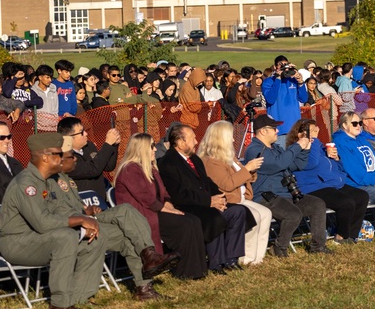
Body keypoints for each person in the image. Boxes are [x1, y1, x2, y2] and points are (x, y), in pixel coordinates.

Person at [51, 140, 178, 300]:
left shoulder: (66, 179)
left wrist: (87, 209)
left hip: (87, 218)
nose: (76, 158)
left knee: (128, 229)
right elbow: (54, 213)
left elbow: (73, 205)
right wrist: (83, 216)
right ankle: (150, 256)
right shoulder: (48, 181)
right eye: (71, 156)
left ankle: (144, 287)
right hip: (73, 227)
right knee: (125, 211)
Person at [0, 133, 108, 309]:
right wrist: (80, 220)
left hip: (40, 238)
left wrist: (82, 226)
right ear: (45, 157)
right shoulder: (27, 183)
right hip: (17, 242)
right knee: (65, 237)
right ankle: (60, 305)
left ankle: (76, 298)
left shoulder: (47, 182)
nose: (62, 157)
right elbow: (42, 223)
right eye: (58, 154)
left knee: (96, 237)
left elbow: (56, 214)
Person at [113, 134, 208, 279]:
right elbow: (146, 198)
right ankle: (185, 271)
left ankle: (197, 270)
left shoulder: (151, 169)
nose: (155, 150)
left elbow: (163, 192)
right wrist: (169, 211)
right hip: (141, 216)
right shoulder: (130, 169)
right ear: (141, 148)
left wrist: (169, 205)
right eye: (151, 146)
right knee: (185, 224)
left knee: (193, 220)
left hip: (155, 211)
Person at [159, 124, 249, 273]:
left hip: (206, 203)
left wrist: (219, 198)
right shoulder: (168, 163)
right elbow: (179, 195)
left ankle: (231, 258)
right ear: (181, 143)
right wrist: (209, 202)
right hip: (188, 208)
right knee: (213, 216)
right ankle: (216, 262)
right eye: (192, 139)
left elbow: (207, 182)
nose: (196, 142)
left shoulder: (194, 159)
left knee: (238, 211)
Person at [243, 115, 333, 255]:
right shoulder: (255, 150)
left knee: (317, 204)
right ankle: (279, 247)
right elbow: (279, 163)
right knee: (293, 214)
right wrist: (298, 146)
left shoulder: (275, 148)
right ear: (262, 131)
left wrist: (306, 148)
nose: (277, 131)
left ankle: (318, 247)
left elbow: (296, 165)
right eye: (273, 128)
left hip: (286, 194)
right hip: (266, 196)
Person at [199, 121, 272, 265]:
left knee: (266, 213)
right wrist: (247, 169)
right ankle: (245, 258)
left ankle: (257, 257)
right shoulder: (212, 161)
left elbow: (242, 177)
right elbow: (227, 184)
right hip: (230, 201)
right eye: (230, 136)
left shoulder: (230, 156)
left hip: (242, 198)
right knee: (255, 216)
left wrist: (251, 171)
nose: (233, 140)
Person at [287, 119, 369, 245]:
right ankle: (341, 236)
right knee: (346, 202)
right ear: (299, 135)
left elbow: (338, 167)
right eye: (311, 131)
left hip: (330, 183)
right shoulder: (297, 149)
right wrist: (312, 141)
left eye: (316, 130)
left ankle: (351, 235)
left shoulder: (320, 148)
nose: (315, 133)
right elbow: (310, 164)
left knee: (361, 196)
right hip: (312, 187)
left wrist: (336, 158)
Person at [60, 116, 120, 196]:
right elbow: (93, 169)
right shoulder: (66, 158)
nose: (86, 134)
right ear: (69, 138)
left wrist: (114, 145)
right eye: (81, 132)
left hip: (99, 201)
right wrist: (108, 144)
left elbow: (108, 166)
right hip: (82, 204)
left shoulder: (89, 146)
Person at [260, 56, 308, 137]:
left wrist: (300, 82)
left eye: (286, 65)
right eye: (280, 65)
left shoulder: (293, 80)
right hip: (278, 129)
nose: (283, 67)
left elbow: (303, 99)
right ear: (275, 67)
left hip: (294, 128)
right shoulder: (268, 82)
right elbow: (271, 99)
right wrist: (278, 79)